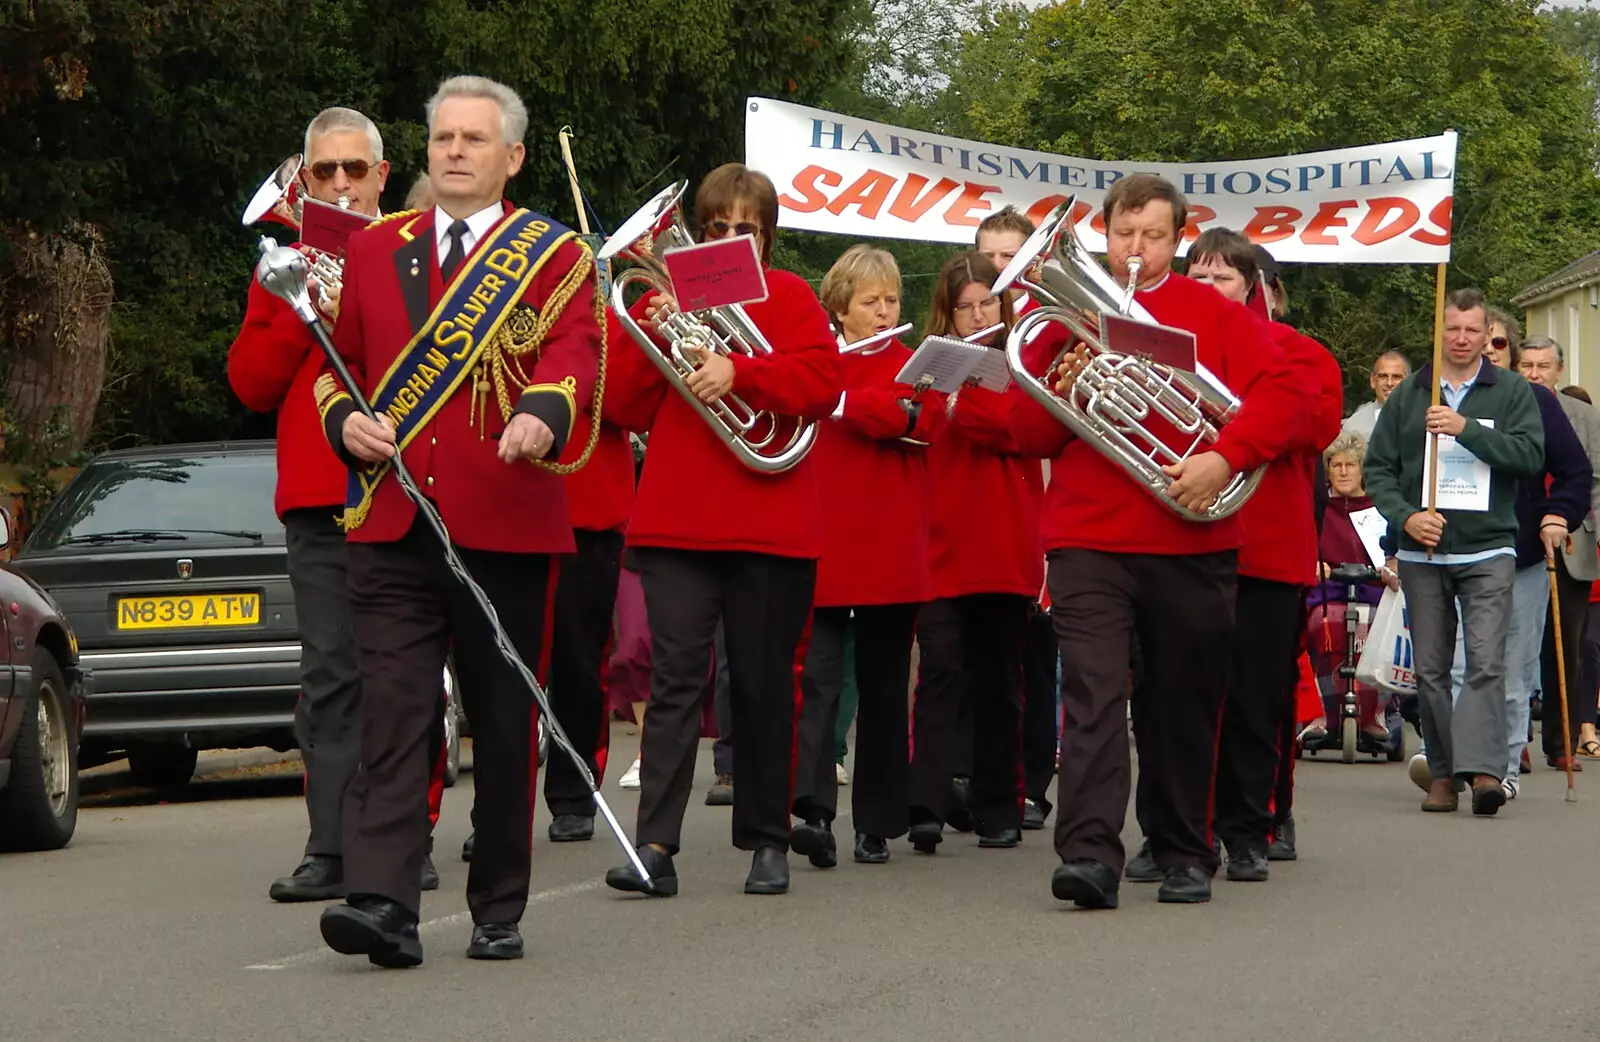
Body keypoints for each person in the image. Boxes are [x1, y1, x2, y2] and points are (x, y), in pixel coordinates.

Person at [312, 75, 602, 966]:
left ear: (511, 157)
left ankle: (498, 905)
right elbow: (336, 368)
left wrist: (545, 411)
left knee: (504, 718)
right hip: (394, 520)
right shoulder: (372, 249)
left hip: (505, 523)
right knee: (394, 715)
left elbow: (577, 354)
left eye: (474, 140)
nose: (455, 153)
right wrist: (343, 421)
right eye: (443, 139)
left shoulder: (553, 254)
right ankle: (383, 901)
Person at [1010, 173, 1307, 908]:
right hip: (1087, 537)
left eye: (1150, 236)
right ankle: (1088, 855)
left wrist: (1224, 456)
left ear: (1177, 239)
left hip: (1191, 537)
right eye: (1121, 234)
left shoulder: (1213, 312)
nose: (1134, 250)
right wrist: (1066, 381)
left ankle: (1182, 851)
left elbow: (1286, 395)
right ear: (1101, 234)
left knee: (1183, 700)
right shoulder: (1056, 320)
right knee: (1093, 695)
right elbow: (1023, 431)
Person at [601, 163, 843, 898]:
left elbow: (824, 385)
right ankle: (655, 844)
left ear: (766, 237)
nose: (731, 240)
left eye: (746, 229)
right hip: (680, 520)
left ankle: (768, 840)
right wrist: (647, 333)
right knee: (675, 681)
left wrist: (740, 374)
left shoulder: (793, 298)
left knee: (766, 686)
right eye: (716, 228)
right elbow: (624, 406)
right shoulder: (664, 302)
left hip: (770, 522)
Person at [229, 106, 448, 904]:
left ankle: (403, 837)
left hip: (402, 483)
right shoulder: (282, 268)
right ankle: (329, 845)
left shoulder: (419, 250)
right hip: (321, 495)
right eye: (326, 172)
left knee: (404, 672)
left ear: (383, 176)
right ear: (304, 178)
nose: (343, 184)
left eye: (357, 170)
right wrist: (303, 309)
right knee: (329, 674)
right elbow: (251, 384)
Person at [1133, 228, 1341, 884]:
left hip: (1266, 550)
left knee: (1255, 698)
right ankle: (1168, 831)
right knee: (1170, 699)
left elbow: (1311, 426)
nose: (1207, 289)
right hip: (1178, 539)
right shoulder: (1160, 344)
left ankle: (1250, 826)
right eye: (1197, 277)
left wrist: (1235, 411)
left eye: (1222, 278)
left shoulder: (1299, 354)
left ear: (1252, 287)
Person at [1364, 288, 1544, 816]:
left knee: (1487, 663)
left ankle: (1486, 772)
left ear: (1487, 336)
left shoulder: (1510, 390)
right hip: (1423, 556)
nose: (1462, 339)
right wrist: (1407, 517)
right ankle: (1441, 773)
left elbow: (1530, 456)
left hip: (1489, 549)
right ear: (1438, 332)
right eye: (1452, 329)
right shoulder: (1410, 394)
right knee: (1432, 672)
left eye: (1472, 330)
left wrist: (1466, 430)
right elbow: (1378, 470)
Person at [787, 245, 938, 868]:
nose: (883, 312)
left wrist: (845, 404)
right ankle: (814, 812)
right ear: (840, 307)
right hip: (823, 539)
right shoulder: (817, 361)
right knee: (818, 683)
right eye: (870, 301)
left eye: (892, 301)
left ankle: (876, 821)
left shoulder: (914, 363)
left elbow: (919, 422)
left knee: (881, 688)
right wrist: (838, 395)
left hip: (889, 543)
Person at [908, 252, 1041, 853]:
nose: (977, 314)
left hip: (1006, 543)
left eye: (988, 302)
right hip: (940, 542)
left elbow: (1021, 429)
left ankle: (999, 807)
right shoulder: (928, 363)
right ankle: (927, 805)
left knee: (1000, 683)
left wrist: (967, 406)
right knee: (938, 674)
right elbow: (918, 427)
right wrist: (955, 406)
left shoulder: (1023, 361)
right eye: (965, 307)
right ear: (948, 312)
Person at [1518, 336, 1600, 772]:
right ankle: (1516, 741)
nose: (1534, 373)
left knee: (1568, 644)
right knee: (1517, 645)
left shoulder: (1585, 417)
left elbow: (1595, 479)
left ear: (1558, 371)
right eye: (1526, 365)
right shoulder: (1510, 407)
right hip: (1520, 540)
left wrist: (1584, 527)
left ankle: (1561, 740)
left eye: (1543, 366)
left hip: (1572, 540)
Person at [1343, 352, 1411, 442]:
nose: (1389, 383)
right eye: (1383, 376)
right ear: (1373, 381)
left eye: (1396, 377)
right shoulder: (1354, 427)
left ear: (1410, 382)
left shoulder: (1426, 420)